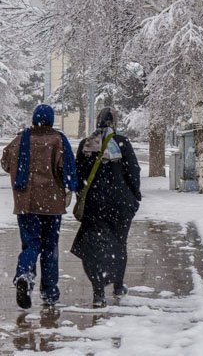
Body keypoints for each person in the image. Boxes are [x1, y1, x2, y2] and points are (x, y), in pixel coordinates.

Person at [1, 104, 77, 310]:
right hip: (51, 205)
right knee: (50, 248)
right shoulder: (58, 141)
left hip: (25, 203)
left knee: (31, 245)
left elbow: (5, 163)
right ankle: (50, 292)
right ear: (51, 120)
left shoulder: (20, 140)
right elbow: (67, 171)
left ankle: (24, 274)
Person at [70, 107, 141, 308]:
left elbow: (79, 174)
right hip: (121, 204)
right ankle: (118, 285)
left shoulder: (87, 144)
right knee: (119, 244)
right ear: (114, 123)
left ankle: (98, 292)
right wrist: (135, 196)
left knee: (95, 248)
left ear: (97, 122)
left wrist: (83, 196)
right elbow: (133, 171)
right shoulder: (122, 142)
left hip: (95, 204)